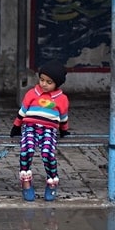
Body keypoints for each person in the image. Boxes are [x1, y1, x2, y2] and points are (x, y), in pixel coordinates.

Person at [10, 60, 70, 202]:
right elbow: (22, 111)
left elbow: (63, 117)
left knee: (47, 153)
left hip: (49, 130)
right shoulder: (32, 93)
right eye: (42, 80)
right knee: (27, 149)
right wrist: (16, 126)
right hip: (30, 127)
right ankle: (25, 181)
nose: (44, 84)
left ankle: (52, 181)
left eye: (49, 82)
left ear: (57, 83)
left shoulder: (61, 99)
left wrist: (64, 130)